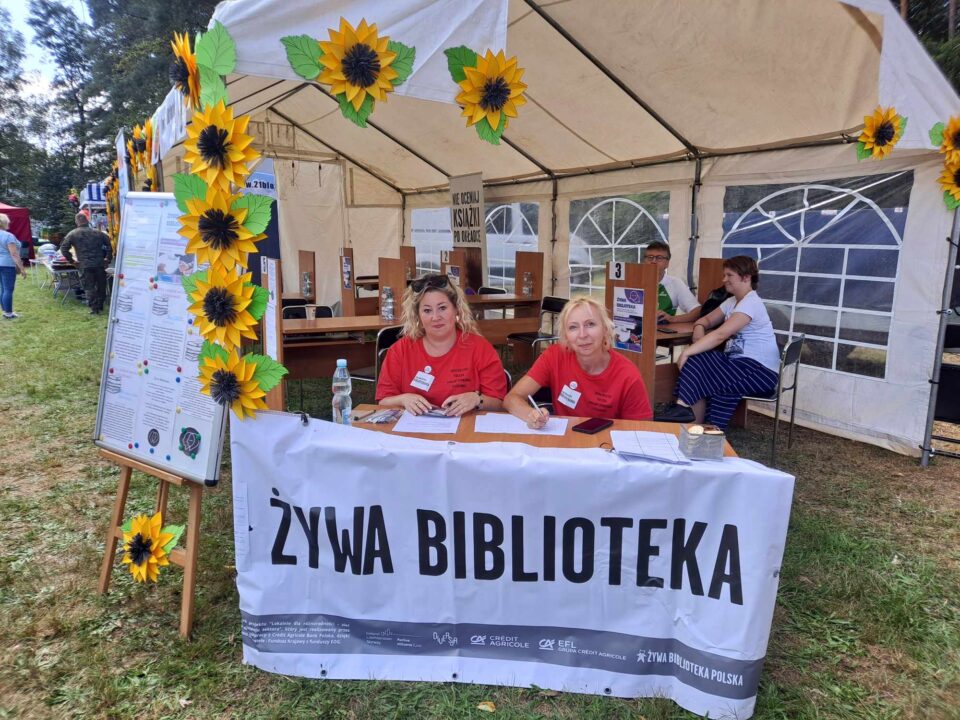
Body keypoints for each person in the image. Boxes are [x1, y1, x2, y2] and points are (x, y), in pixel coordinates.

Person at [656, 255, 780, 429]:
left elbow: (721, 334)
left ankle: (686, 414)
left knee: (698, 362)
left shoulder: (751, 303)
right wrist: (698, 327)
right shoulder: (732, 301)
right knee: (700, 365)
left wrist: (687, 351)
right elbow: (705, 320)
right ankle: (689, 419)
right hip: (740, 364)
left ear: (746, 277)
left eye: (729, 275)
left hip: (759, 371)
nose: (724, 280)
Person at [503, 296, 652, 428]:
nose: (582, 335)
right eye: (573, 327)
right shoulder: (554, 356)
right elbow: (511, 398)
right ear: (566, 336)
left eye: (590, 324)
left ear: (605, 330)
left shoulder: (627, 375)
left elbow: (642, 430)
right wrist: (531, 414)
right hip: (566, 444)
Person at [376, 273, 507, 416]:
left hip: (465, 431)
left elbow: (498, 403)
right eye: (427, 310)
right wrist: (403, 399)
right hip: (415, 433)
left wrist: (476, 400)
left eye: (442, 308)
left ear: (456, 309)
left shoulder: (480, 348)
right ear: (417, 315)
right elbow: (383, 401)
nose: (436, 317)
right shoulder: (400, 350)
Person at [59, 213, 113, 315]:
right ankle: (100, 305)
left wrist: (72, 261)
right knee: (101, 286)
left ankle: (94, 309)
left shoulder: (72, 234)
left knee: (89, 287)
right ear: (87, 220)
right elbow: (110, 246)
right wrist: (107, 259)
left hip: (84, 265)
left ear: (76, 222)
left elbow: (64, 249)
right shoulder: (99, 233)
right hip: (99, 264)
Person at [644, 240, 701, 324]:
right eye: (650, 257)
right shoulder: (632, 280)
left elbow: (697, 311)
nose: (653, 261)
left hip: (662, 334)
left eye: (659, 258)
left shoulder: (675, 283)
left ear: (667, 263)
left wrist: (672, 319)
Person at [0, 214, 28, 320]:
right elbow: (14, 254)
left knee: (2, 288)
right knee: (8, 289)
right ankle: (8, 313)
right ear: (4, 222)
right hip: (7, 265)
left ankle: (5, 310)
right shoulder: (8, 236)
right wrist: (21, 268)